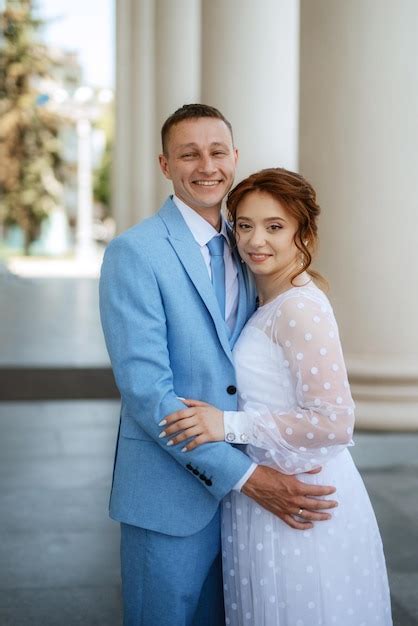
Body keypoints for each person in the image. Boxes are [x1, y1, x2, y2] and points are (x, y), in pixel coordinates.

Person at [99, 105, 338, 626]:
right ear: (165, 165)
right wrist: (247, 476)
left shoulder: (248, 245)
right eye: (189, 154)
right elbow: (147, 392)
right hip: (169, 499)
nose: (205, 165)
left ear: (234, 157)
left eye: (216, 151)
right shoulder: (133, 253)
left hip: (244, 513)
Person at [162, 168, 393, 626]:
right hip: (266, 492)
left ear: (302, 233)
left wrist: (226, 424)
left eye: (274, 227)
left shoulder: (300, 308)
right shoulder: (270, 298)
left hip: (303, 500)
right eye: (245, 225)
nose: (255, 241)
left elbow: (333, 421)